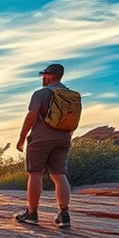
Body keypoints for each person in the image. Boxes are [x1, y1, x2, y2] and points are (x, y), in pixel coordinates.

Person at [14, 63, 77, 228]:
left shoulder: (41, 94)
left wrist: (22, 137)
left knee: (35, 174)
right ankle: (64, 215)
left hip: (41, 138)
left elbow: (31, 115)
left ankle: (32, 213)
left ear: (51, 75)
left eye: (44, 75)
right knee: (59, 175)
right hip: (63, 138)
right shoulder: (71, 95)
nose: (43, 78)